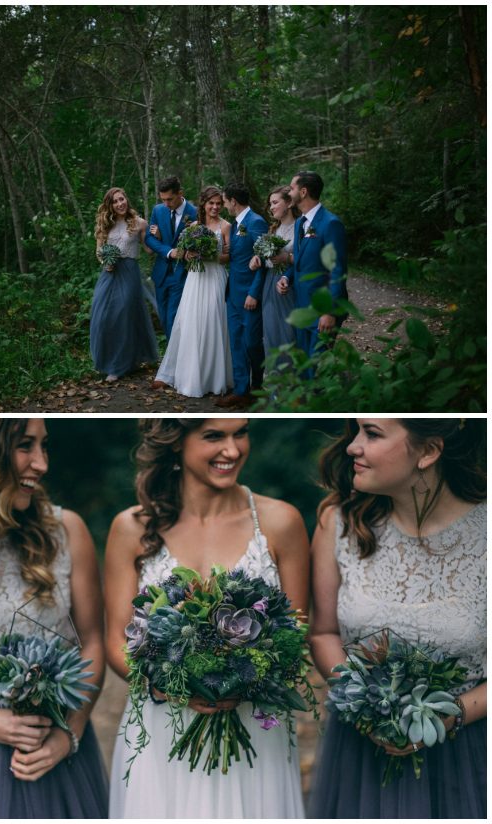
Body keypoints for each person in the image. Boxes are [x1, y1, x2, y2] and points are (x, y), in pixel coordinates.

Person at [105, 418, 309, 818]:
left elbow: (296, 632)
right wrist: (171, 686)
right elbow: (116, 640)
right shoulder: (131, 528)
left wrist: (249, 676)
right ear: (176, 442)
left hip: (255, 726)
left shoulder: (281, 522)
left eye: (241, 433)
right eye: (214, 436)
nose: (232, 450)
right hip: (162, 727)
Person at [308, 418, 486, 818]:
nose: (353, 446)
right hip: (361, 747)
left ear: (428, 451)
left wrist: (448, 715)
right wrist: (364, 708)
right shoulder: (339, 523)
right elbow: (322, 632)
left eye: (371, 434)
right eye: (356, 432)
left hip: (468, 750)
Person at [0, 418, 108, 818]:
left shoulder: (66, 531)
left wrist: (71, 733)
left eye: (43, 446)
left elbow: (93, 642)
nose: (41, 463)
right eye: (24, 446)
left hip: (58, 754)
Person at [151, 185, 234, 398]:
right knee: (191, 323)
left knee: (213, 320)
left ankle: (215, 376)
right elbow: (185, 253)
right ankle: (190, 375)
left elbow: (228, 257)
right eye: (211, 203)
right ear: (204, 205)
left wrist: (210, 256)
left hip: (215, 277)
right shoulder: (193, 227)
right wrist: (188, 255)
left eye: (218, 203)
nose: (215, 207)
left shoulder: (226, 226)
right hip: (196, 280)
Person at [277, 170, 348, 370]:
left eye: (291, 188)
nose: (288, 193)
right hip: (301, 307)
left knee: (318, 369)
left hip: (322, 311)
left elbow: (337, 271)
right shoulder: (300, 222)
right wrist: (286, 277)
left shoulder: (331, 224)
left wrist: (329, 312)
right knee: (304, 367)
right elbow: (299, 260)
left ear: (304, 191)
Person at [90, 187, 159, 382]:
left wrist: (157, 235)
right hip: (109, 274)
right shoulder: (105, 225)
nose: (120, 204)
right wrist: (106, 262)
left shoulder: (139, 223)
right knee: (102, 317)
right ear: (110, 205)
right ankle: (108, 361)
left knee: (123, 315)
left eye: (122, 199)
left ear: (126, 200)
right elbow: (99, 251)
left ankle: (120, 366)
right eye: (115, 201)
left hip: (129, 273)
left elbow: (149, 250)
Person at [217, 182, 268, 409]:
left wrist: (254, 292)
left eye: (225, 201)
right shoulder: (235, 224)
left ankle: (257, 387)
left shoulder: (256, 222)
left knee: (252, 344)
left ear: (233, 201)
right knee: (236, 342)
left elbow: (263, 259)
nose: (225, 205)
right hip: (233, 294)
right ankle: (240, 391)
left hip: (249, 296)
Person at [250, 184, 298, 371]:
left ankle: (293, 388)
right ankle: (275, 390)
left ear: (289, 203)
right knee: (271, 335)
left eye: (275, 202)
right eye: (270, 203)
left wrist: (287, 263)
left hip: (289, 285)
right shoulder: (272, 230)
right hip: (270, 283)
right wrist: (256, 258)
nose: (271, 207)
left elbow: (304, 258)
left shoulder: (300, 229)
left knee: (289, 334)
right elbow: (264, 256)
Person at [145, 176, 199, 340]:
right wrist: (169, 251)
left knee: (174, 316)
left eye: (170, 199)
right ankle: (173, 356)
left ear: (180, 193)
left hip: (182, 273)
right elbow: (149, 238)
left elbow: (200, 240)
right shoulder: (158, 210)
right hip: (161, 273)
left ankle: (174, 360)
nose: (166, 204)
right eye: (163, 200)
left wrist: (185, 251)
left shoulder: (195, 212)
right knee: (163, 317)